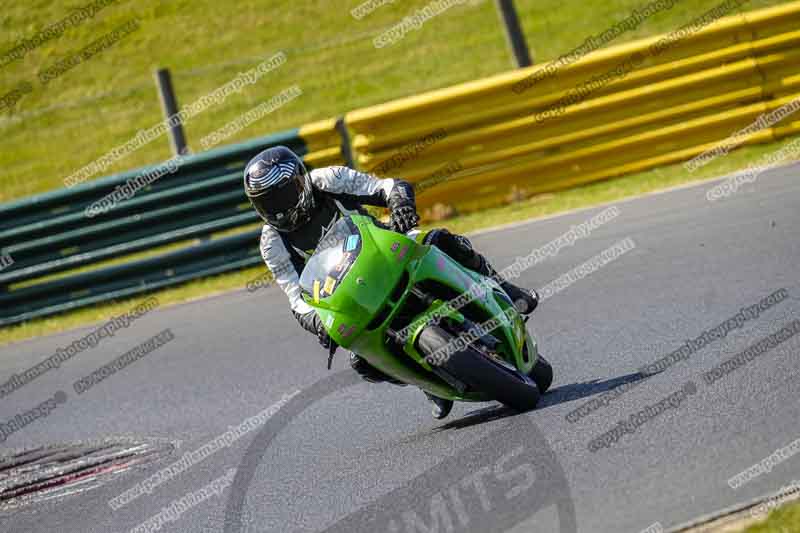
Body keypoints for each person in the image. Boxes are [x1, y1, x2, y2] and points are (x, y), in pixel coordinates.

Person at [244, 146, 538, 419]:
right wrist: (319, 323)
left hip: (388, 250)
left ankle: (507, 289)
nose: (279, 209)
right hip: (350, 299)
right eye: (267, 204)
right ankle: (427, 383)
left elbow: (386, 186)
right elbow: (296, 298)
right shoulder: (272, 242)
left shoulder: (328, 179)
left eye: (282, 196)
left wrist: (400, 207)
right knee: (361, 362)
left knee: (443, 240)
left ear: (301, 182)